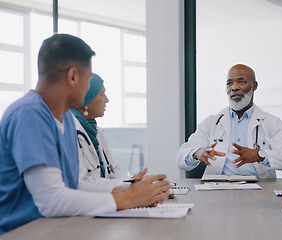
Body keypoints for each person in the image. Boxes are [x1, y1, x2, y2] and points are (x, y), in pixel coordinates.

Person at [0, 34, 171, 235]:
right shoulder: (29, 114)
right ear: (73, 76)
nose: (90, 86)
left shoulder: (65, 119)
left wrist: (131, 190)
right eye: (89, 78)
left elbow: (75, 186)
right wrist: (128, 199)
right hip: (25, 232)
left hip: (59, 228)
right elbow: (52, 201)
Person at [176, 64, 282, 178]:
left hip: (261, 190)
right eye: (229, 83)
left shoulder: (272, 123)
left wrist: (260, 155)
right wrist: (197, 153)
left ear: (254, 86)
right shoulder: (211, 122)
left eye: (241, 82)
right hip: (218, 189)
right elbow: (180, 157)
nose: (234, 88)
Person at [71, 73, 128, 190]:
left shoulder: (95, 130)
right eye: (102, 95)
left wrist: (135, 182)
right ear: (86, 101)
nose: (107, 100)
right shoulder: (70, 130)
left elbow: (113, 168)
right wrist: (126, 185)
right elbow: (81, 182)